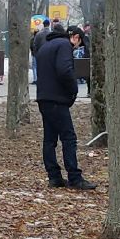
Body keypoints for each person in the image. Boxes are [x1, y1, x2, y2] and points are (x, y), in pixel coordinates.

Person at [34, 23, 95, 189]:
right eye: (79, 43)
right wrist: (73, 90)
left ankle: (54, 176)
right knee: (69, 138)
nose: (77, 47)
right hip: (57, 99)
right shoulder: (64, 45)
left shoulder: (45, 47)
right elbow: (64, 70)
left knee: (50, 139)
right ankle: (75, 177)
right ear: (75, 37)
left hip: (44, 98)